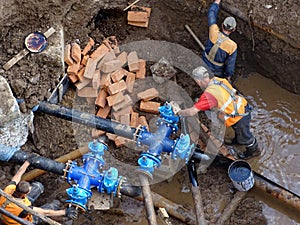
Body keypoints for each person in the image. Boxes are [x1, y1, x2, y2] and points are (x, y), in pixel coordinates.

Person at [178, 66, 260, 159]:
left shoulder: (209, 95)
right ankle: (238, 140)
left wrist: (179, 112)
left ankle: (254, 151)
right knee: (239, 132)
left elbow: (192, 112)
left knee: (246, 137)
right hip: (241, 107)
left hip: (239, 117)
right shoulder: (217, 80)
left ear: (198, 81)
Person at [0, 160, 78, 225]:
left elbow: (18, 174)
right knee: (54, 205)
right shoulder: (24, 208)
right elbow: (46, 212)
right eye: (29, 189)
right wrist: (65, 212)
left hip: (8, 210)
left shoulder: (9, 189)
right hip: (18, 220)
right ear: (25, 194)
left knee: (38, 186)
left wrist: (28, 161)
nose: (31, 188)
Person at [202, 0, 237, 81]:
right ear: (234, 29)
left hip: (203, 62)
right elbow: (230, 65)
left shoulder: (213, 30)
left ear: (222, 25)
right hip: (216, 71)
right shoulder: (232, 46)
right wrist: (228, 77)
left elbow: (211, 13)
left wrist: (217, 2)